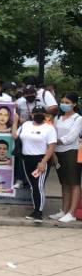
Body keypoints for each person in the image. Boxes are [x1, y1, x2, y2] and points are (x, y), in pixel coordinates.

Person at [16, 105, 57, 221]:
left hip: (41, 160)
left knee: (38, 186)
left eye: (41, 113)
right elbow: (15, 135)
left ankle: (38, 212)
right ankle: (35, 210)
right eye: (36, 113)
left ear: (45, 115)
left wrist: (43, 162)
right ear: (32, 115)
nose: (38, 115)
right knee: (33, 186)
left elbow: (51, 147)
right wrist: (15, 121)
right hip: (26, 159)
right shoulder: (25, 125)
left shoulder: (49, 128)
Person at [50, 93, 82, 223]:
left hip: (71, 152)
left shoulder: (78, 119)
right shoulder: (57, 118)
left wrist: (53, 141)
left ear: (74, 104)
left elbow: (70, 138)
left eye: (67, 102)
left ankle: (72, 213)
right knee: (64, 183)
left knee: (74, 183)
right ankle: (64, 210)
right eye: (62, 101)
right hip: (58, 152)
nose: (64, 104)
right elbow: (52, 132)